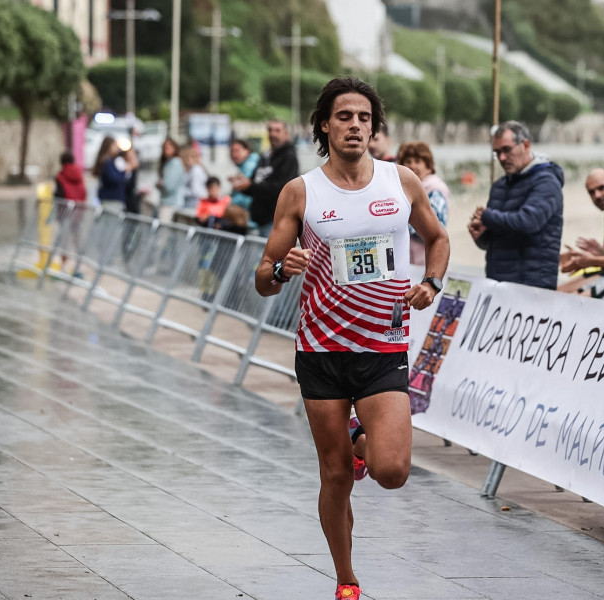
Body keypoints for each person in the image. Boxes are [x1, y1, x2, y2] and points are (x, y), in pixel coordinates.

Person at [254, 76, 449, 600]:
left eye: (364, 118)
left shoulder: (401, 182)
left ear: (374, 127)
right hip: (320, 352)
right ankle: (346, 578)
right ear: (325, 125)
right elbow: (264, 275)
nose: (356, 126)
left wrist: (431, 281)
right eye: (344, 117)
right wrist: (282, 269)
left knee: (392, 472)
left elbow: (438, 237)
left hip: (382, 346)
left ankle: (365, 438)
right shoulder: (301, 192)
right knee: (335, 473)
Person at [468, 120, 563, 288]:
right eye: (497, 153)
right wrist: (482, 237)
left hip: (532, 288)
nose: (502, 158)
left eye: (506, 150)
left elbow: (528, 222)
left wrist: (487, 216)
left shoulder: (547, 182)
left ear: (525, 145)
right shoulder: (498, 186)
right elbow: (499, 239)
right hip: (498, 285)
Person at [558, 167, 604, 293]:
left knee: (571, 296)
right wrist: (580, 258)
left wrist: (589, 260)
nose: (597, 195)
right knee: (559, 292)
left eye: (601, 188)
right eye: (591, 192)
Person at [230, 119, 298, 237]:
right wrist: (244, 186)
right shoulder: (265, 155)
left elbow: (282, 188)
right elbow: (254, 182)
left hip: (275, 220)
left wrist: (250, 185)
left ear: (286, 133)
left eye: (277, 130)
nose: (273, 134)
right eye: (270, 130)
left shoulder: (289, 157)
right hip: (259, 219)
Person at [397, 141, 449, 265]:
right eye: (408, 162)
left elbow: (437, 228)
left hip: (427, 262)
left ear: (429, 167)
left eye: (417, 161)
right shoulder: (403, 189)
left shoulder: (435, 190)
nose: (412, 166)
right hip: (408, 262)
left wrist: (397, 223)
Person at [54, 151, 87, 268]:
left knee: (65, 240)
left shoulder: (60, 176)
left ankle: (64, 266)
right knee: (78, 238)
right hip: (79, 210)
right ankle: (79, 266)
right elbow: (84, 191)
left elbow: (59, 194)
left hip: (66, 211)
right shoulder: (79, 174)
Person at [92, 136, 132, 210]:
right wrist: (124, 171)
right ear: (109, 146)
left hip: (111, 197)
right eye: (114, 145)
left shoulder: (109, 161)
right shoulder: (107, 162)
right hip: (111, 198)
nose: (117, 148)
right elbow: (113, 179)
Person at [157, 138, 185, 220]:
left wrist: (161, 184)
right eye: (164, 148)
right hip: (167, 202)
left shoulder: (175, 163)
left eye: (168, 147)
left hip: (171, 204)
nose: (166, 150)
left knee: (164, 231)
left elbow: (169, 186)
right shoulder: (168, 163)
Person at [181, 144, 209, 209]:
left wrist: (180, 191)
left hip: (195, 205)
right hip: (192, 204)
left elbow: (196, 190)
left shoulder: (196, 170)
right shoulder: (193, 169)